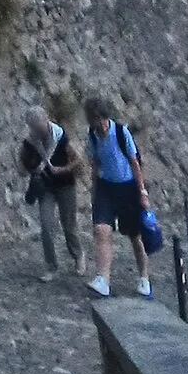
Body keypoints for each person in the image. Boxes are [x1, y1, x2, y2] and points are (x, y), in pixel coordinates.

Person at [85, 95, 153, 299]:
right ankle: (103, 279)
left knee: (134, 236)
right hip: (106, 188)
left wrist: (142, 193)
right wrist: (94, 191)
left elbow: (135, 163)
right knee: (101, 230)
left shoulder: (122, 133)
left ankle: (144, 278)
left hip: (127, 188)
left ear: (107, 118)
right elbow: (95, 163)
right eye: (97, 122)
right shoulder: (92, 135)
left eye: (103, 121)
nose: (102, 126)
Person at [19, 105, 82, 276]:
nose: (39, 132)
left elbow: (77, 159)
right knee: (46, 226)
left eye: (41, 128)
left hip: (65, 185)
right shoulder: (30, 142)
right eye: (35, 129)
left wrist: (61, 169)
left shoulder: (61, 137)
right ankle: (51, 266)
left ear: (47, 121)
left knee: (68, 225)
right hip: (45, 187)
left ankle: (78, 256)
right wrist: (32, 169)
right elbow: (22, 167)